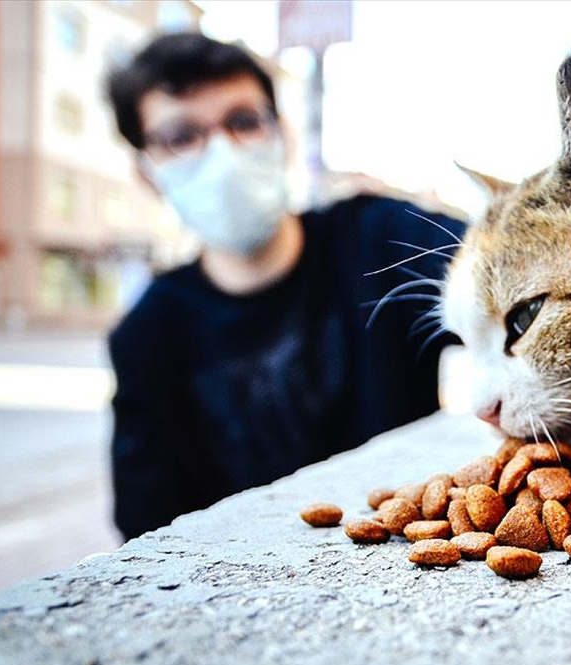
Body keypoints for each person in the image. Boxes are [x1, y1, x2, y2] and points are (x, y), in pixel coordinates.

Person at [105, 32, 466, 540]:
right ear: (146, 172)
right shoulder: (147, 336)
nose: (222, 153)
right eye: (180, 136)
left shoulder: (380, 239)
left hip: (413, 553)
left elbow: (511, 269)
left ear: (282, 135)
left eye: (244, 121)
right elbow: (146, 532)